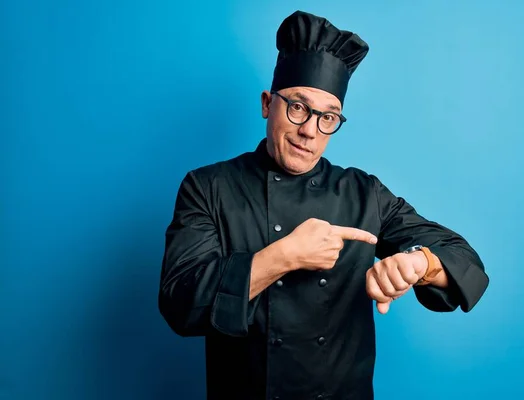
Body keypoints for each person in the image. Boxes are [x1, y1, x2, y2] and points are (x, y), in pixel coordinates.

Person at [158, 10, 489, 400]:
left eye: (328, 117)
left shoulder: (364, 193)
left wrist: (420, 264)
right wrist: (284, 256)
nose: (309, 131)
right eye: (298, 107)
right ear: (268, 104)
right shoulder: (208, 187)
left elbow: (463, 259)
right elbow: (180, 302)